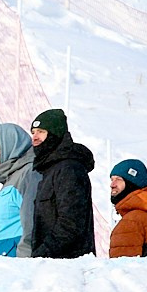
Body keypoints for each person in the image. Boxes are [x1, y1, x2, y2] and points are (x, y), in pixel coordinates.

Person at [27, 107, 96, 259]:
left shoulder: (69, 169)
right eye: (33, 132)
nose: (35, 137)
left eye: (41, 131)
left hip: (67, 266)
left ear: (55, 135)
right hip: (52, 264)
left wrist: (42, 254)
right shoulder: (49, 171)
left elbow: (71, 223)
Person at [0, 122, 40, 257]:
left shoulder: (28, 174)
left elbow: (32, 221)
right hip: (4, 259)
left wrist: (25, 261)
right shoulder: (13, 176)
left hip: (14, 258)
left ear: (12, 145)